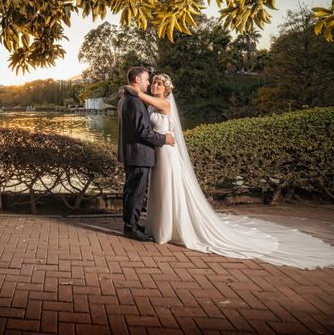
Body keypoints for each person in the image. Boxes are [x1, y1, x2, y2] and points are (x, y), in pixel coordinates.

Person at [122, 73, 334, 269]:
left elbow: (139, 93)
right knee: (158, 191)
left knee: (169, 188)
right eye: (154, 81)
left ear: (167, 89)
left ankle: (169, 228)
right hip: (155, 152)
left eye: (159, 83)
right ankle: (156, 225)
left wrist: (130, 87)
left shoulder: (164, 103)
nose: (154, 85)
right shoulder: (149, 105)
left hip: (167, 153)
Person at [118, 67, 175, 242]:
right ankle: (131, 227)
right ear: (137, 80)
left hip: (136, 152)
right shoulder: (134, 101)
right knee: (135, 192)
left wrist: (127, 88)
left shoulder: (127, 98)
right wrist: (164, 139)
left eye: (156, 82)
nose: (149, 83)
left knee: (132, 190)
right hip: (139, 152)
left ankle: (131, 224)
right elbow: (143, 131)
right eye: (147, 79)